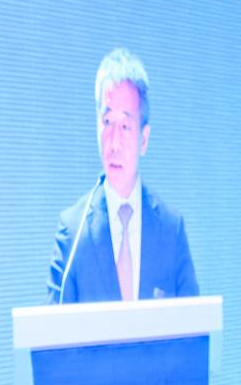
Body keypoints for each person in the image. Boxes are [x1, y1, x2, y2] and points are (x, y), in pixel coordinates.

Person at [47, 48, 198, 305]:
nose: (114, 142)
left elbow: (195, 325)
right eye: (107, 122)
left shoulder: (170, 230)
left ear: (144, 139)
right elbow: (50, 327)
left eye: (126, 126)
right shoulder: (73, 231)